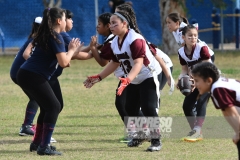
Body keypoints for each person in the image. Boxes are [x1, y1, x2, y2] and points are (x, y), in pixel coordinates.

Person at [84, 10, 162, 152]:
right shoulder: (115, 42)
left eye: (115, 23)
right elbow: (114, 62)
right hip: (132, 79)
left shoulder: (135, 39)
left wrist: (127, 79)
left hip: (147, 76)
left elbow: (138, 63)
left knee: (148, 108)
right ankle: (140, 135)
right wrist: (99, 77)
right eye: (111, 23)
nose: (111, 26)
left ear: (125, 24)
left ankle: (156, 140)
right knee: (130, 108)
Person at [16, 7, 81, 156]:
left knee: (48, 107)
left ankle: (37, 143)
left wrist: (71, 53)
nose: (66, 21)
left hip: (26, 74)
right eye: (65, 18)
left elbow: (61, 60)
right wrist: (71, 50)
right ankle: (44, 146)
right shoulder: (56, 37)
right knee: (54, 106)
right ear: (59, 21)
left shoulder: (48, 34)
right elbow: (64, 62)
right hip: (32, 75)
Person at [191, 62, 240, 159]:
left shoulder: (218, 89)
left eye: (197, 81)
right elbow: (227, 113)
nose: (195, 85)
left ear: (209, 80)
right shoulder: (217, 87)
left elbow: (232, 113)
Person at [177, 24, 212, 142]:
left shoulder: (202, 48)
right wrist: (181, 79)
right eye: (190, 36)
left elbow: (207, 67)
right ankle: (196, 131)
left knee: (202, 102)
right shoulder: (181, 51)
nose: (193, 38)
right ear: (183, 37)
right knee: (187, 105)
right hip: (195, 80)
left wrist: (195, 79)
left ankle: (197, 129)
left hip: (208, 78)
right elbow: (184, 69)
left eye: (195, 36)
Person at [10, 17, 42, 137]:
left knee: (36, 97)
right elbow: (27, 56)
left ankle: (27, 125)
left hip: (17, 72)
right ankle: (26, 126)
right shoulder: (36, 39)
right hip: (20, 73)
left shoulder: (34, 37)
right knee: (36, 97)